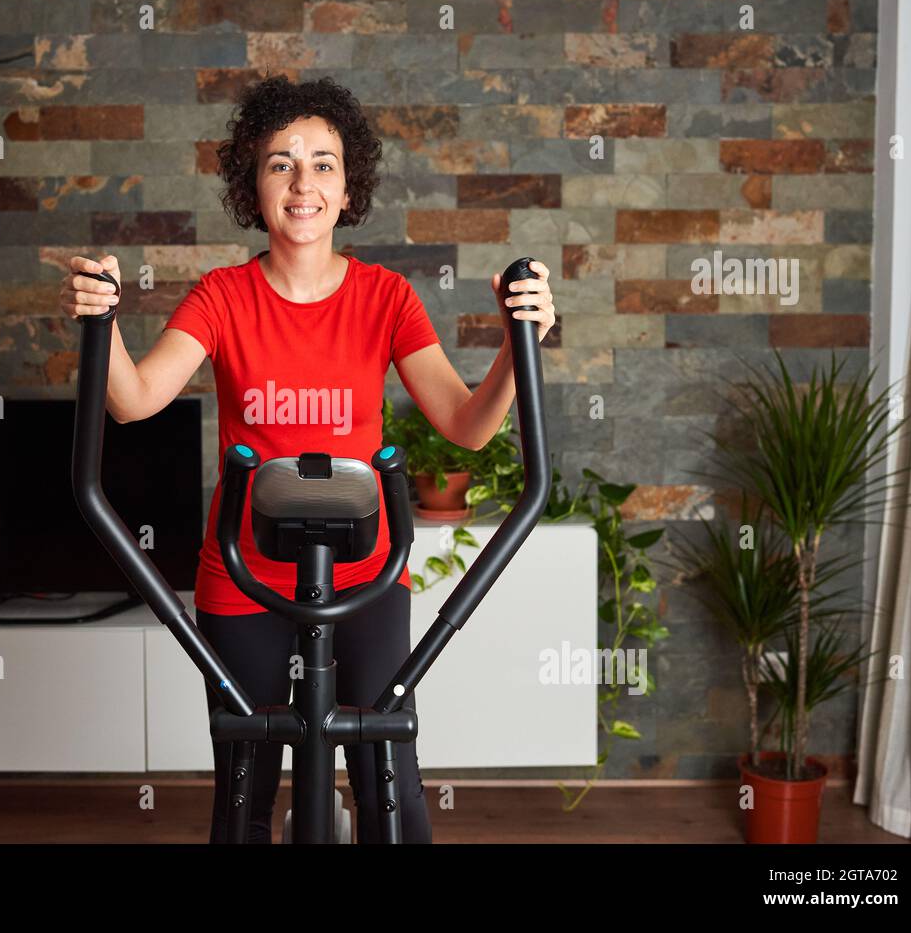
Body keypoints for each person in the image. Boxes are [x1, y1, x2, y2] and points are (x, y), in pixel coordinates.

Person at [59, 75, 556, 843]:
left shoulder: (385, 297)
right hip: (245, 575)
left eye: (323, 163)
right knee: (244, 790)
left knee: (391, 784)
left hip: (365, 577)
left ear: (347, 184)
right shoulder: (222, 296)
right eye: (280, 162)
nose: (303, 183)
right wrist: (105, 320)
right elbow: (133, 399)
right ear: (251, 184)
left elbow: (465, 425)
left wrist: (518, 346)